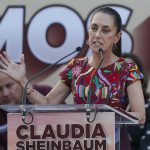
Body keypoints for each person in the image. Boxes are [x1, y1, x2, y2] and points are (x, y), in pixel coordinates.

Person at [0, 6, 146, 148]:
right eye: (94, 28)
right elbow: (47, 103)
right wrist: (22, 81)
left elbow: (140, 117)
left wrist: (108, 115)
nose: (97, 34)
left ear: (117, 37)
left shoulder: (127, 69)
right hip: (82, 141)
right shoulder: (76, 67)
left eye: (105, 30)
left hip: (115, 143)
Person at [0, 72, 52, 150]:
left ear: (21, 83)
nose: (5, 93)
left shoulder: (45, 93)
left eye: (9, 86)